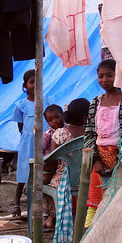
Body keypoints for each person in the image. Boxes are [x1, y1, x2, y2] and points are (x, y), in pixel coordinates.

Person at [83, 59, 122, 227]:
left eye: (110, 75)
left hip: (121, 159)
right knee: (95, 198)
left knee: (118, 198)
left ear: (119, 76)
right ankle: (90, 232)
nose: (104, 80)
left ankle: (115, 231)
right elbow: (89, 133)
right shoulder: (96, 102)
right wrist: (95, 160)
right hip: (99, 159)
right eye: (101, 76)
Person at [10, 69, 53, 218]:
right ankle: (16, 204)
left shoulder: (48, 101)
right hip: (27, 143)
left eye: (38, 81)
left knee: (44, 171)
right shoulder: (21, 105)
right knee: (23, 173)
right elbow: (21, 127)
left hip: (46, 142)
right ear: (25, 85)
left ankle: (45, 205)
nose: (35, 85)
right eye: (31, 82)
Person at [43, 98, 90, 229]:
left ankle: (51, 216)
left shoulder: (60, 133)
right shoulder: (90, 134)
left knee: (40, 182)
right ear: (86, 118)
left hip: (62, 180)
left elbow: (51, 163)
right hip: (86, 179)